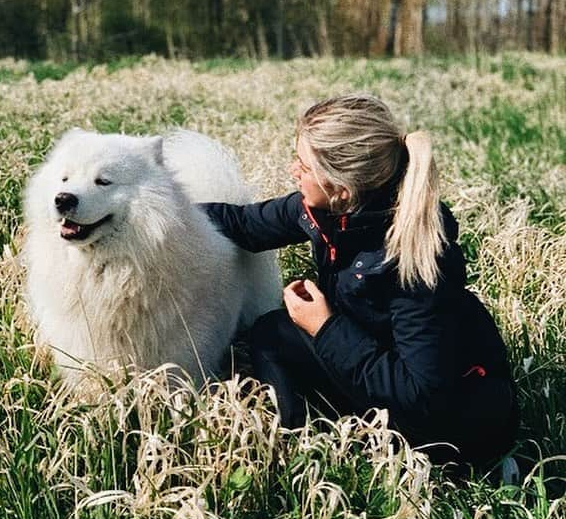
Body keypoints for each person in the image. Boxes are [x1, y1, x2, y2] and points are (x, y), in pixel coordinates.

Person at [199, 94, 519, 468]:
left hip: (454, 430)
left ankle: (340, 461)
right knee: (272, 330)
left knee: (278, 334)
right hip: (377, 363)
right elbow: (245, 225)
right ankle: (297, 449)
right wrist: (165, 212)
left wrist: (325, 326)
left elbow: (421, 396)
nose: (292, 171)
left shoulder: (416, 261)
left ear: (341, 188)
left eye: (303, 165)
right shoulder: (328, 208)